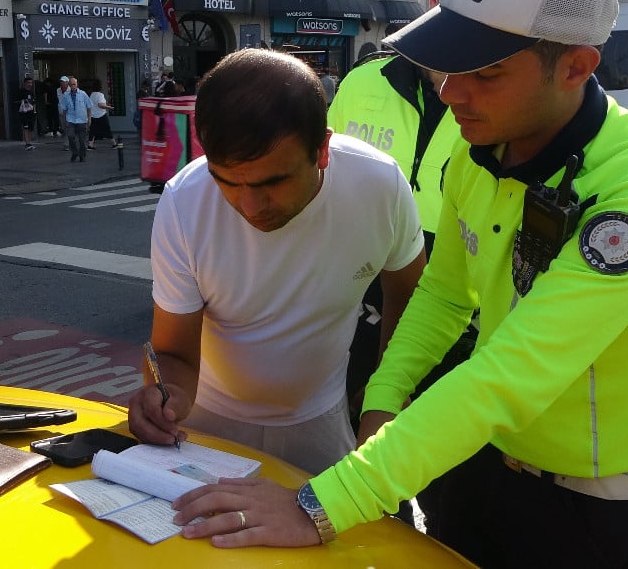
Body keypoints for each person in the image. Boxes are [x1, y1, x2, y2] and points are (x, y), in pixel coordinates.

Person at [172, 0, 628, 569]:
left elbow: (512, 373)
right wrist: (380, 401)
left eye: (485, 72)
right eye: (447, 64)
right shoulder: (478, 155)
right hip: (476, 472)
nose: (450, 91)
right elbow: (446, 294)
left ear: (576, 65)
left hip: (600, 514)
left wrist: (321, 504)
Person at [127, 48, 426, 475]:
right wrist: (165, 395)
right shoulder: (184, 202)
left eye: (273, 181)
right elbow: (173, 351)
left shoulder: (380, 185)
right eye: (226, 181)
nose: (249, 205)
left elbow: (410, 294)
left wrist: (387, 390)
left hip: (320, 417)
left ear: (322, 150)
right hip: (205, 425)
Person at [327, 0, 492, 528]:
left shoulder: (497, 108)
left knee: (453, 496)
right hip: (367, 299)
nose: (456, 89)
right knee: (374, 491)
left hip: (462, 313)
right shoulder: (362, 82)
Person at [58, 77, 93, 162]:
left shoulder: (83, 94)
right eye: (71, 84)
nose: (73, 86)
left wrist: (89, 119)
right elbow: (64, 109)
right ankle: (75, 152)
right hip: (71, 120)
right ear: (69, 85)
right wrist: (64, 120)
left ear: (77, 84)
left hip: (81, 120)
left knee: (82, 140)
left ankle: (82, 155)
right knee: (70, 137)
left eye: (74, 84)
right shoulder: (66, 96)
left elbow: (89, 107)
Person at [87, 82, 115, 149]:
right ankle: (114, 144)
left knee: (92, 131)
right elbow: (101, 105)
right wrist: (109, 107)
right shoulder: (100, 95)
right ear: (100, 87)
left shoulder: (91, 95)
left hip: (93, 116)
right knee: (107, 129)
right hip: (101, 115)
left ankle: (90, 145)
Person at [16, 77, 38, 150]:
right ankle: (27, 143)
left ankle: (30, 142)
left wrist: (34, 111)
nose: (30, 84)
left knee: (31, 127)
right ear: (25, 83)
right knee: (25, 127)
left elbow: (34, 102)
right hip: (23, 112)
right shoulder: (21, 91)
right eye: (28, 83)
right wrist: (23, 101)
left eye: (31, 83)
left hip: (31, 112)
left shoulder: (31, 92)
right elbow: (16, 101)